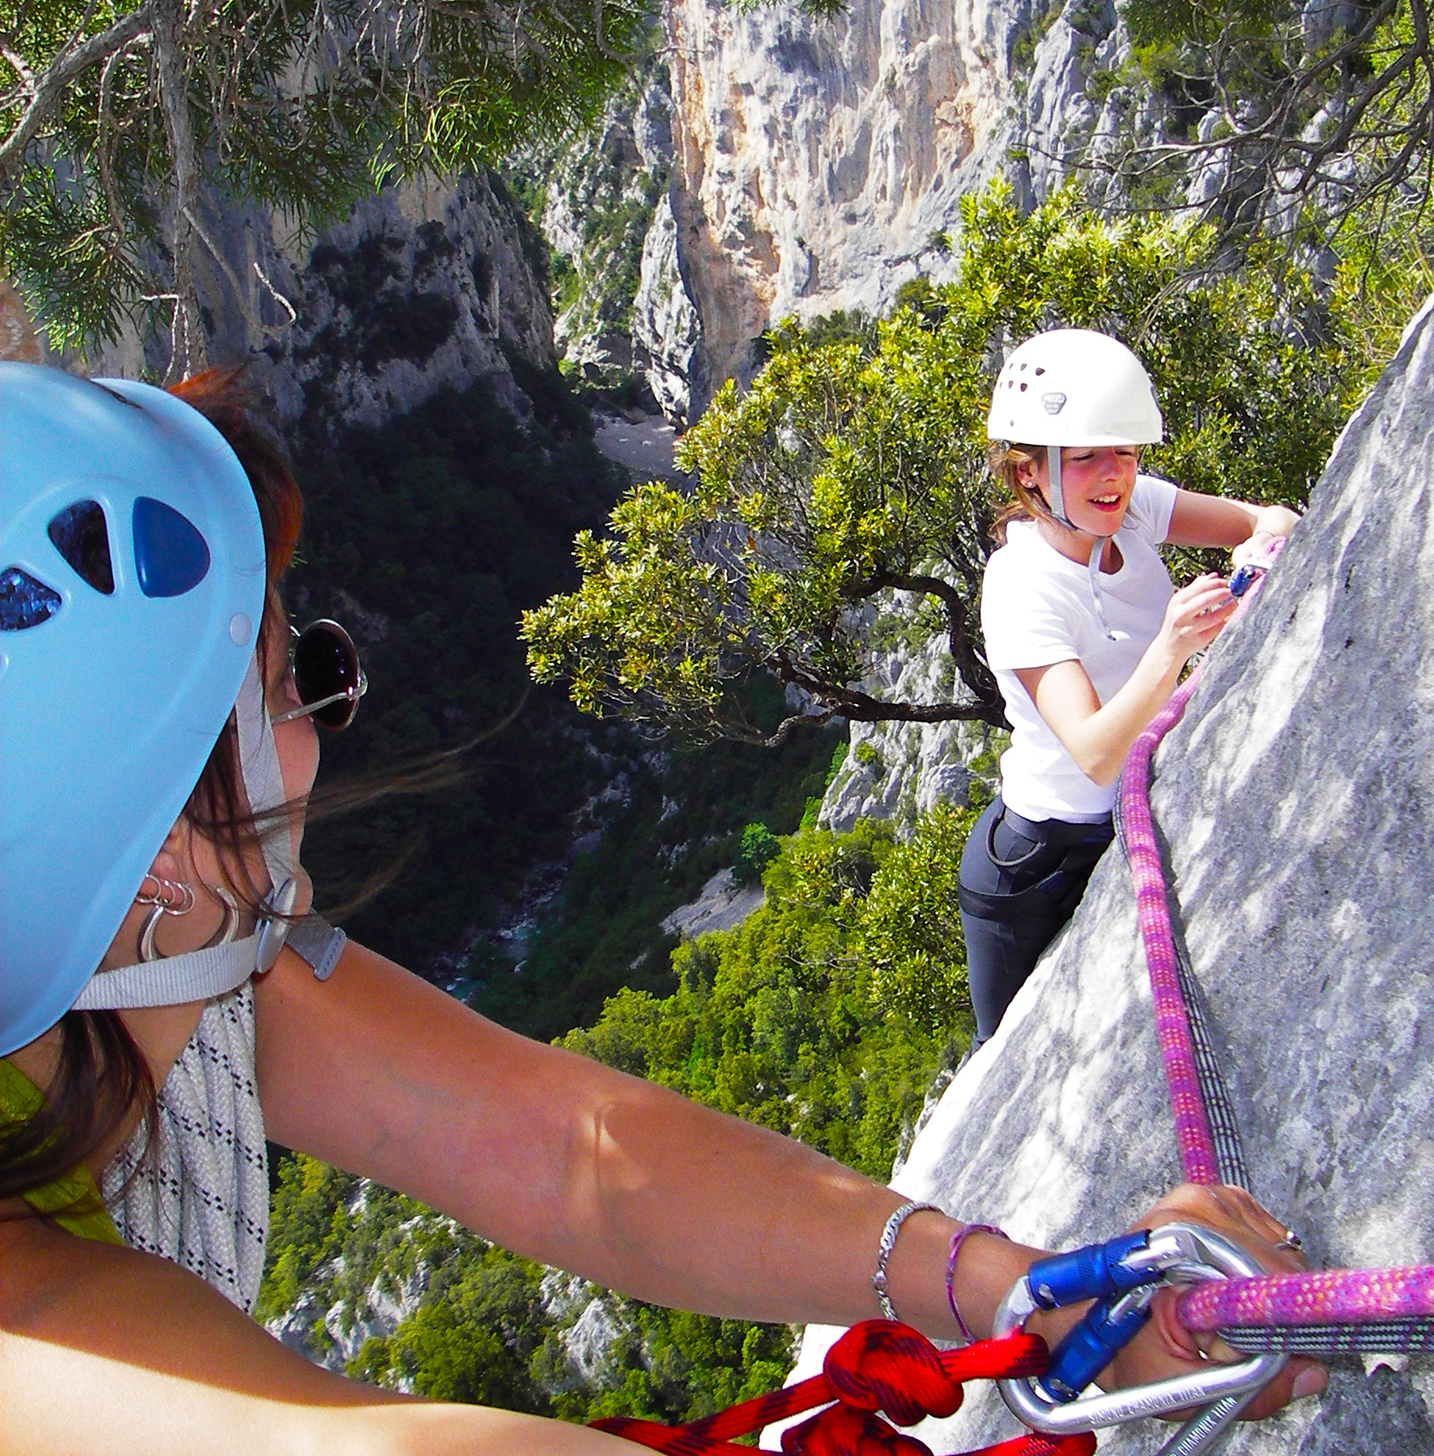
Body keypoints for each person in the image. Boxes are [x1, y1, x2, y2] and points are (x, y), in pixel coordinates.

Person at [0, 359, 1323, 1451]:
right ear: (162, 849)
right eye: (301, 677)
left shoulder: (197, 975)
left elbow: (573, 1150)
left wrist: (1022, 1286)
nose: (333, 721)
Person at [961, 329, 1299, 1045]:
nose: (1113, 472)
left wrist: (1259, 549)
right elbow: (1093, 752)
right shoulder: (1022, 586)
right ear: (1029, 474)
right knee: (1013, 1057)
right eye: (1084, 456)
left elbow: (1263, 518)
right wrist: (1173, 644)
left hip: (1126, 812)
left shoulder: (1128, 503)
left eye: (1124, 449)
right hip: (1038, 863)